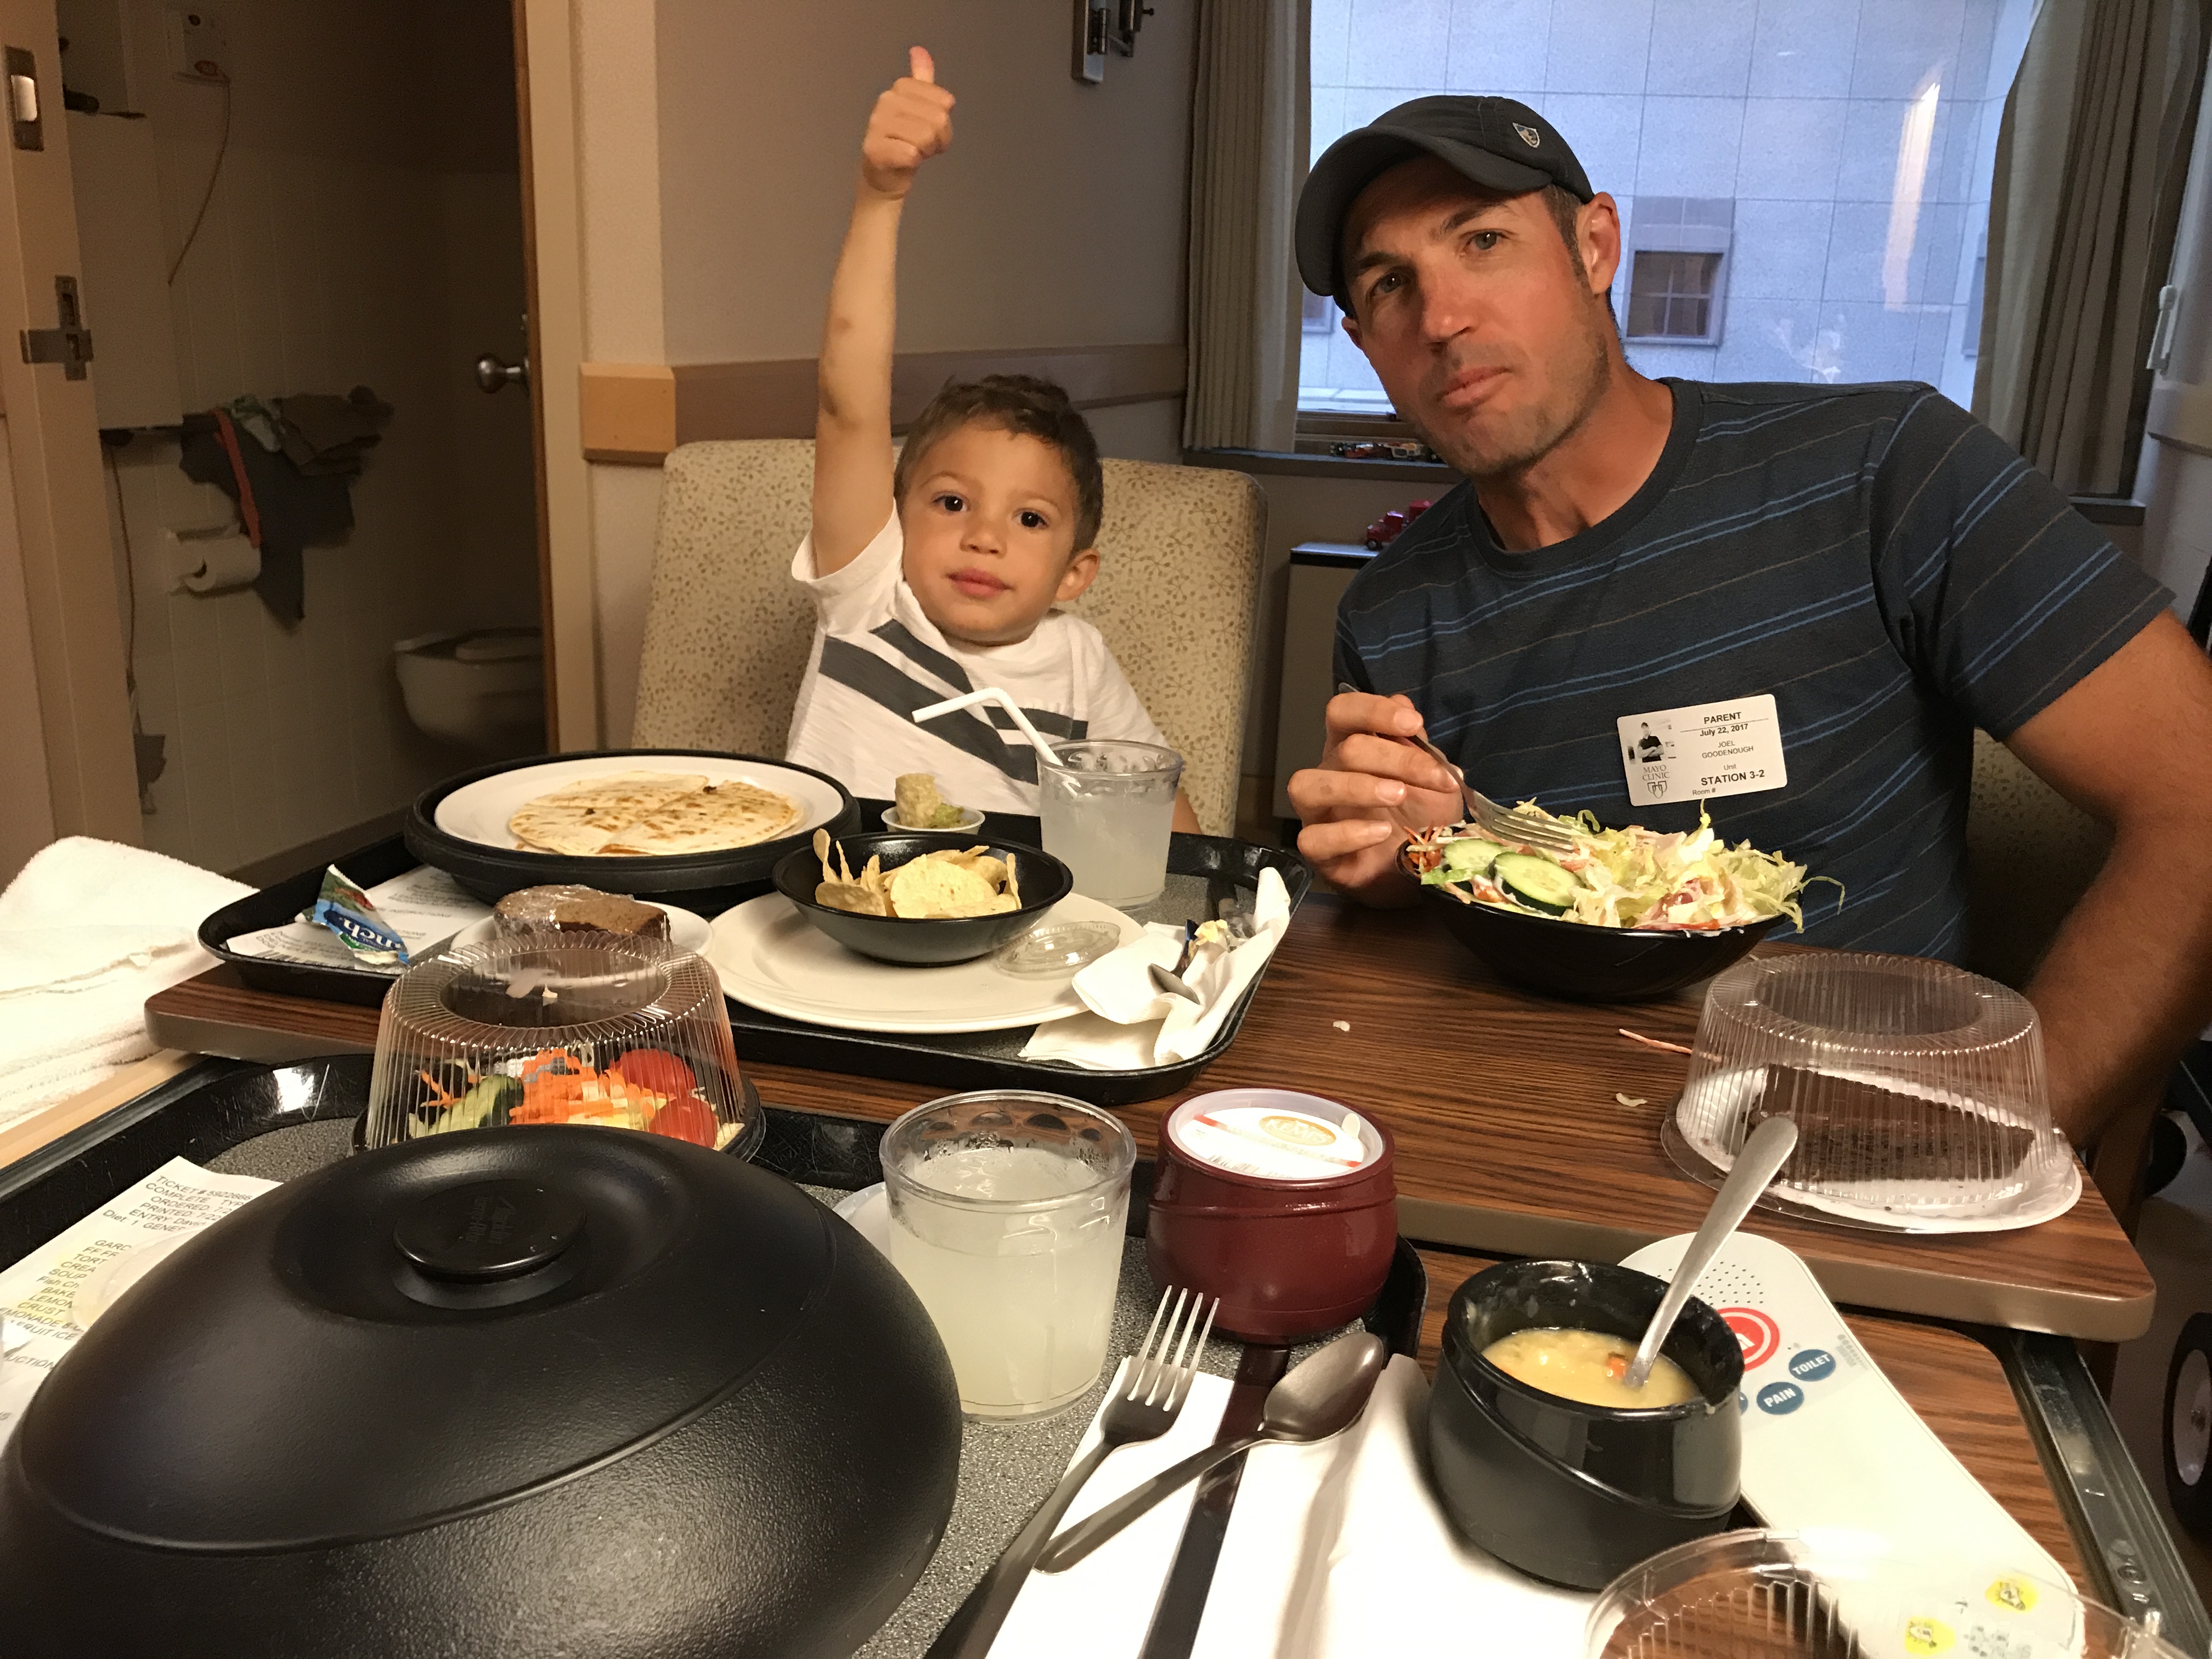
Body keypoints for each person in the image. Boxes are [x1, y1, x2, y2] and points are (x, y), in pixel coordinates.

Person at [1284, 95, 2212, 1143]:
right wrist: (1399, 867)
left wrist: (2009, 1142)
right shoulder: (1390, 612)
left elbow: (2198, 800)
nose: (1442, 319)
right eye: (1390, 284)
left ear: (1595, 247)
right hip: (1536, 1129)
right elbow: (1458, 910)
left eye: (1484, 242)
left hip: (1854, 1127)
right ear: (1363, 344)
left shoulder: (1884, 469)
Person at [786, 48, 1199, 830]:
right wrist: (880, 197)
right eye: (951, 502)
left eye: (1030, 518)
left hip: (1006, 903)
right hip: (834, 891)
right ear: (895, 516)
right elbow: (849, 405)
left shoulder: (1079, 663)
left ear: (1074, 574)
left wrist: (1197, 895)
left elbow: (1158, 810)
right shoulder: (869, 597)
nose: (984, 537)